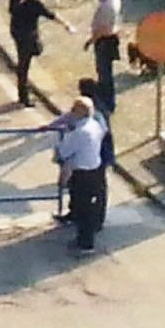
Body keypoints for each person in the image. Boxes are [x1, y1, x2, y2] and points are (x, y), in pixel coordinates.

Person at [50, 96, 109, 254]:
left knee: (84, 208)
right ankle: (83, 237)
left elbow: (64, 151)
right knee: (86, 206)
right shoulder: (95, 126)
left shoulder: (80, 132)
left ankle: (85, 244)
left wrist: (58, 151)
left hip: (82, 172)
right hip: (94, 169)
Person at [87, 0, 123, 113]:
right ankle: (107, 101)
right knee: (104, 72)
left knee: (104, 73)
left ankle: (107, 104)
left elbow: (104, 29)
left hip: (104, 41)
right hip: (108, 39)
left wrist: (91, 41)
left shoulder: (108, 6)